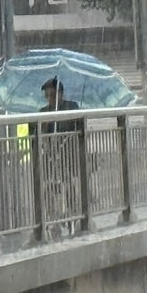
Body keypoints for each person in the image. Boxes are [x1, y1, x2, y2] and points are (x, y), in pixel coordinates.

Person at [37, 78, 82, 235]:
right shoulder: (43, 113)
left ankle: (72, 217)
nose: (49, 99)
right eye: (47, 96)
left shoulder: (72, 107)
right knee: (49, 189)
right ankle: (52, 220)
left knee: (69, 186)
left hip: (68, 157)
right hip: (50, 158)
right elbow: (39, 134)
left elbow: (79, 129)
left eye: (52, 95)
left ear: (60, 94)